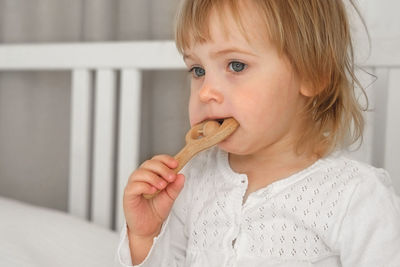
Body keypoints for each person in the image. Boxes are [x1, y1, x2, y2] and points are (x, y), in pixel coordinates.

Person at [117, 0, 400, 266]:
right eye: (198, 70)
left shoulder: (356, 196)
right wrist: (144, 236)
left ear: (312, 75)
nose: (205, 92)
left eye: (236, 65)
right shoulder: (192, 180)